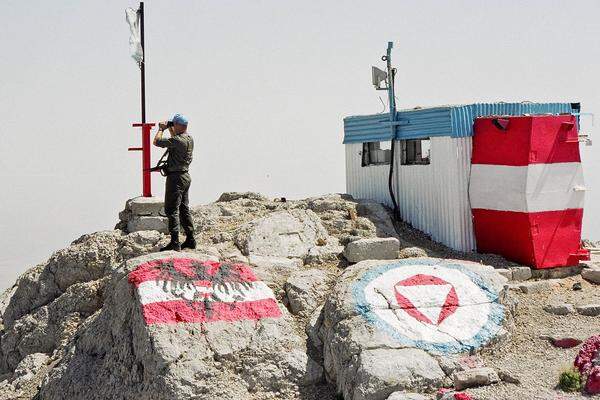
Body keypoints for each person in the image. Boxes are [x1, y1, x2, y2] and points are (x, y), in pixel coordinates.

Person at [153, 113, 196, 251]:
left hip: (176, 178)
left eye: (173, 124)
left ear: (178, 125)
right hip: (185, 176)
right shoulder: (189, 138)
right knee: (184, 209)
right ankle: (190, 239)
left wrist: (161, 129)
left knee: (172, 209)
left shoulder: (178, 140)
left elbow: (157, 142)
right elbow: (175, 140)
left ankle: (175, 242)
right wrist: (172, 127)